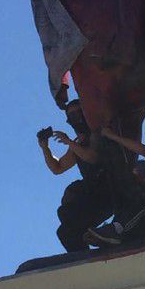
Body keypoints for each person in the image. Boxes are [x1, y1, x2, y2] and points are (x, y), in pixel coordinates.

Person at [37, 100, 114, 252]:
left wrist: (69, 142)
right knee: (65, 228)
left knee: (71, 214)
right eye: (72, 116)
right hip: (93, 195)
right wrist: (45, 148)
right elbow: (57, 168)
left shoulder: (99, 134)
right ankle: (83, 256)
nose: (77, 119)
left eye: (79, 113)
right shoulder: (78, 144)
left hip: (110, 192)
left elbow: (92, 157)